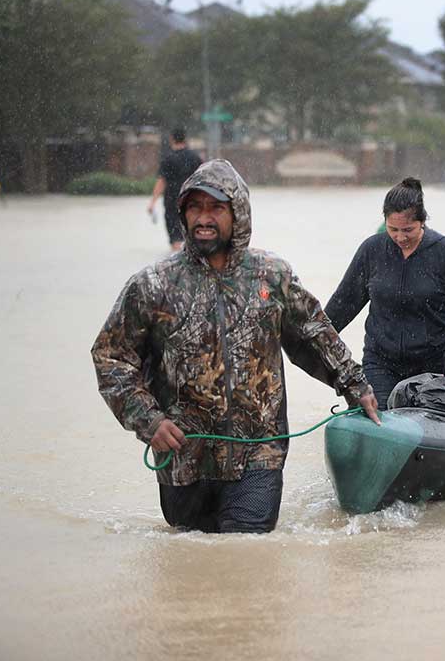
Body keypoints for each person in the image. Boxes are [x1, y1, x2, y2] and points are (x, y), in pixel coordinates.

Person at [92, 160, 380, 534]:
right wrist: (149, 421)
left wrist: (355, 387)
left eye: (215, 208)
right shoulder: (153, 285)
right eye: (194, 208)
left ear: (238, 213)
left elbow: (314, 335)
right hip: (183, 457)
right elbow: (112, 357)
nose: (203, 218)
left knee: (247, 551)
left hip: (258, 454)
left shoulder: (272, 276)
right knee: (191, 562)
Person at [325, 177, 445, 408]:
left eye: (408, 230)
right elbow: (343, 303)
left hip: (432, 362)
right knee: (382, 422)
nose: (400, 237)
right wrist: (307, 341)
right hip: (381, 362)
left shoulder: (444, 251)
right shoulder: (372, 250)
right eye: (392, 229)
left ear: (422, 222)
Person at [147, 128, 203, 251]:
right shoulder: (195, 157)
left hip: (172, 202)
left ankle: (178, 264)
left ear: (171, 139)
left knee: (176, 239)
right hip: (192, 201)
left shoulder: (168, 159)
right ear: (185, 138)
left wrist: (152, 202)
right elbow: (203, 179)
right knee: (192, 236)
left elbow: (161, 182)